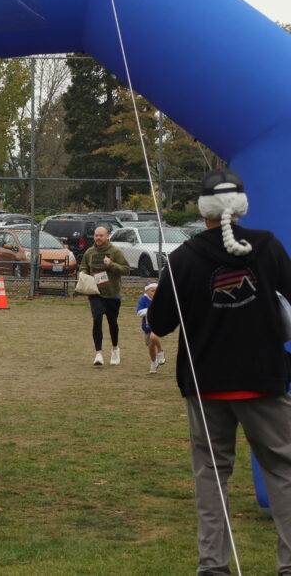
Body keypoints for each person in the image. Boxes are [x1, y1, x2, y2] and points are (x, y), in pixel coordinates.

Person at [148, 168, 291, 575]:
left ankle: (213, 566)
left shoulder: (183, 258)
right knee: (284, 471)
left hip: (206, 383)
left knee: (211, 475)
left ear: (203, 209)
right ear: (240, 207)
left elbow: (160, 323)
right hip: (263, 379)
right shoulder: (267, 246)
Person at [79, 226, 130, 366]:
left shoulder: (115, 252)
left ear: (107, 236)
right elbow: (83, 267)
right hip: (95, 293)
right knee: (97, 319)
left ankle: (115, 349)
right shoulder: (89, 252)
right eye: (96, 235)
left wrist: (111, 264)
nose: (98, 238)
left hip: (112, 294)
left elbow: (126, 270)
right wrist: (83, 274)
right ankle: (98, 354)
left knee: (112, 322)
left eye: (101, 235)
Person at [135, 282, 165, 374]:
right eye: (152, 291)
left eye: (156, 291)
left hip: (158, 324)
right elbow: (139, 312)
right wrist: (150, 310)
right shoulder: (143, 300)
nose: (155, 293)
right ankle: (154, 362)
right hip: (147, 326)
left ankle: (160, 351)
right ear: (146, 292)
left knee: (153, 336)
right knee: (151, 347)